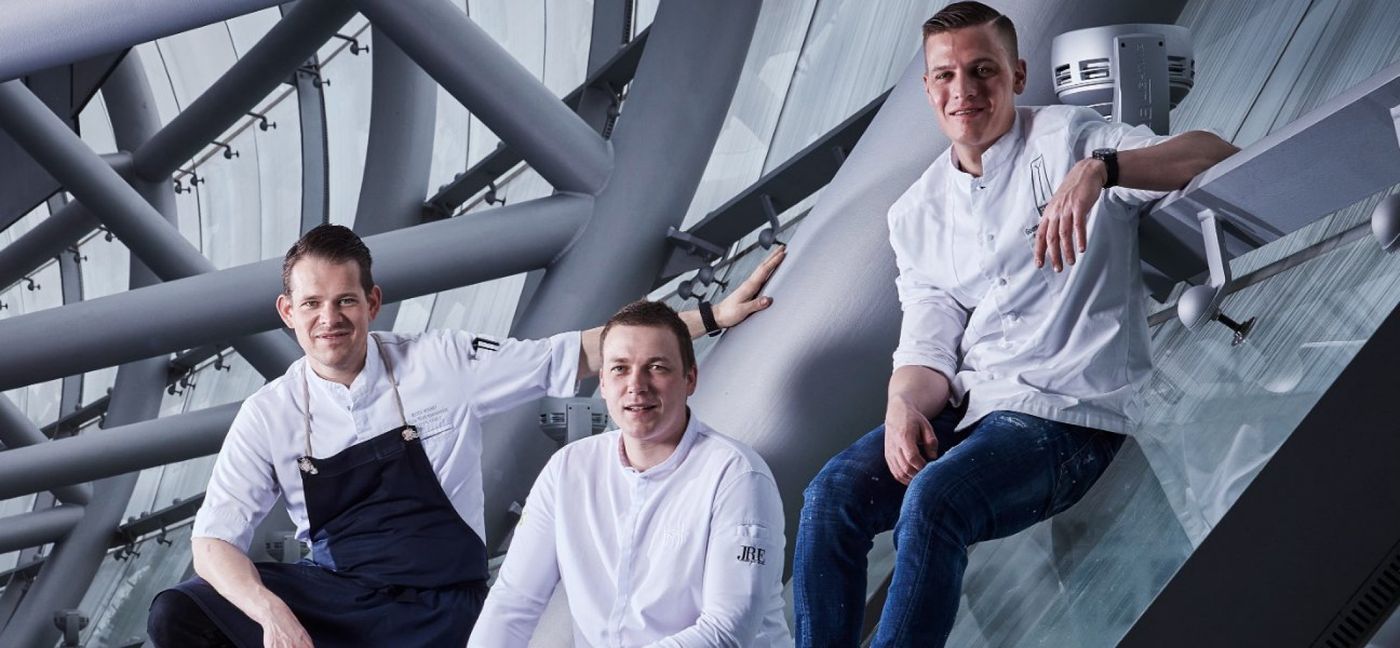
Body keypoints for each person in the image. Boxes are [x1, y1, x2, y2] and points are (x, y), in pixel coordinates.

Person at [792, 3, 1238, 646]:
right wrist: (901, 405)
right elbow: (927, 342)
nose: (964, 90)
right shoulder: (915, 212)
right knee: (830, 496)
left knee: (935, 500)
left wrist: (1102, 170)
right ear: (927, 88)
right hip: (973, 410)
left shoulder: (1070, 138)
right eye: (945, 75)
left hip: (1071, 418)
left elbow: (1213, 153)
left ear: (1017, 75)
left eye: (982, 70)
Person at [145, 225, 785, 648]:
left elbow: (580, 354)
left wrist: (711, 315)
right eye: (311, 304)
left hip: (444, 612)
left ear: (373, 302)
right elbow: (212, 542)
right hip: (339, 602)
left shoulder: (442, 361)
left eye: (345, 301)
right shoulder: (267, 414)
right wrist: (272, 614)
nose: (329, 318)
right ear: (288, 312)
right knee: (180, 614)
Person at [469, 300, 791, 647]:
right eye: (620, 369)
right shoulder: (567, 470)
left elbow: (726, 631)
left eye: (656, 367)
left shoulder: (737, 476)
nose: (636, 385)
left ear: (690, 378)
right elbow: (513, 602)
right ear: (603, 382)